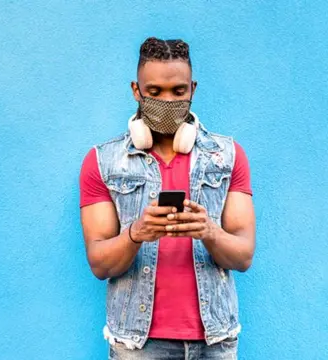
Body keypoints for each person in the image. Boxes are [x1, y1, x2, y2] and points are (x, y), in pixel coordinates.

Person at [79, 37, 255, 359]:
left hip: (215, 343)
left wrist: (209, 231)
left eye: (178, 91)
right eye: (154, 92)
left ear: (193, 89)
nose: (167, 101)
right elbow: (99, 263)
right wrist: (136, 234)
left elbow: (243, 256)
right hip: (138, 346)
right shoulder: (103, 162)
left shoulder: (227, 157)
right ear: (136, 91)